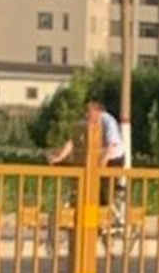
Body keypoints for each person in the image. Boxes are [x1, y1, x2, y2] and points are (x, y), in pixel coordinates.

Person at [49, 95, 129, 236]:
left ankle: (104, 220)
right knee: (87, 185)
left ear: (98, 111)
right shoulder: (86, 123)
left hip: (114, 159)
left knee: (100, 189)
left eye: (90, 111)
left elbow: (111, 146)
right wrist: (60, 157)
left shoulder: (108, 121)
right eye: (86, 111)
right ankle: (93, 221)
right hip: (97, 159)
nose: (87, 115)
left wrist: (101, 166)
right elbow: (73, 142)